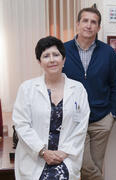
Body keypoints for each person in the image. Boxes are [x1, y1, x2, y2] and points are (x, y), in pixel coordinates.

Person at [13, 36, 90, 180]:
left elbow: (81, 126)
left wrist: (64, 152)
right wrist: (42, 151)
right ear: (39, 62)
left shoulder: (78, 89)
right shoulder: (27, 89)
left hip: (65, 157)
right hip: (35, 156)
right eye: (46, 56)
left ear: (63, 59)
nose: (52, 60)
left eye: (56, 55)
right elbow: (21, 125)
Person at [63, 8, 116, 180]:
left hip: (102, 120)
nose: (89, 25)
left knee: (95, 163)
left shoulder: (108, 52)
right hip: (74, 120)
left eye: (93, 22)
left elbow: (115, 85)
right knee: (86, 166)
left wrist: (112, 114)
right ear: (78, 24)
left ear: (99, 27)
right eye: (85, 21)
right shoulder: (63, 50)